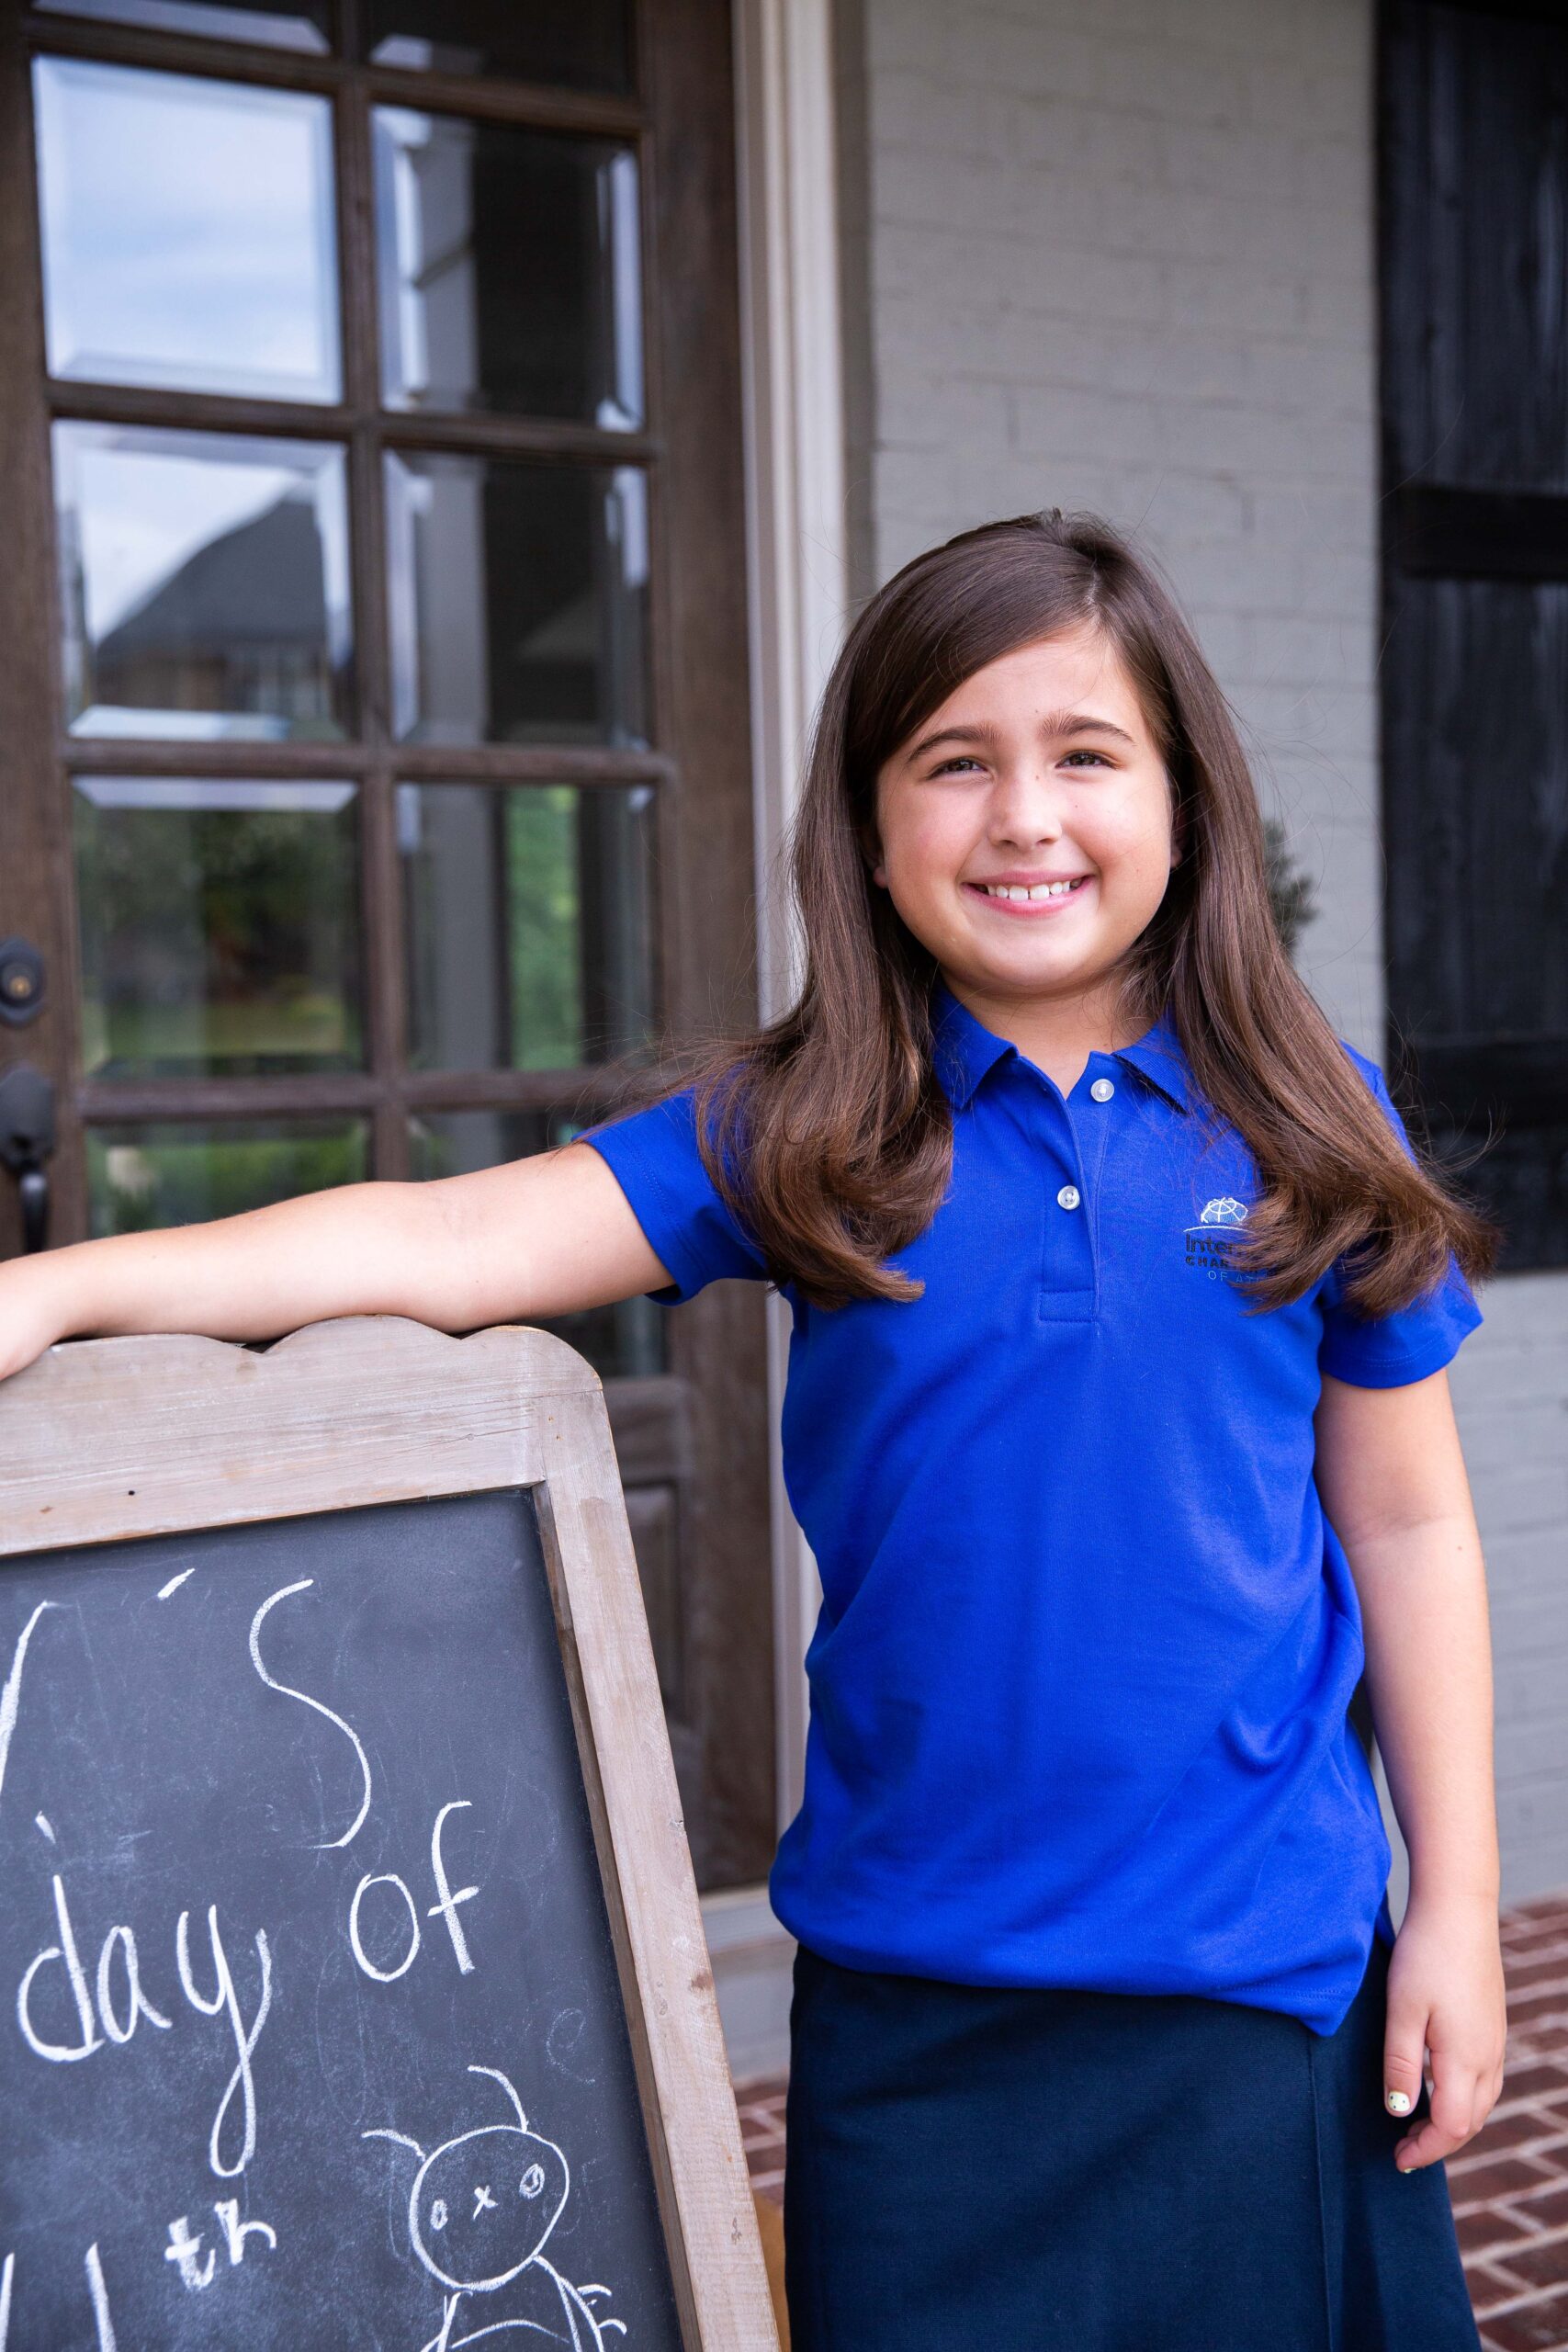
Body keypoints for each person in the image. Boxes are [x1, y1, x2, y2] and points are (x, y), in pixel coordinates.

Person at [0, 513, 1504, 2350]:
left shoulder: (1307, 1116)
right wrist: (64, 1287)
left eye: (1082, 755)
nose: (1023, 814)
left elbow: (1409, 1528)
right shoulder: (808, 1126)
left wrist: (1457, 1904)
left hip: (1262, 1992)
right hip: (920, 2013)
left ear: (1185, 805)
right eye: (953, 763)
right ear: (867, 833)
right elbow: (458, 1241)